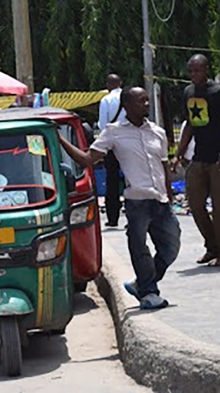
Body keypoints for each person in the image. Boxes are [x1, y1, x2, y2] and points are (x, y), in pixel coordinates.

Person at [59, 87, 180, 309]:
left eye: (146, 100)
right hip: (137, 201)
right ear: (126, 106)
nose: (147, 104)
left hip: (160, 200)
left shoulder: (157, 132)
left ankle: (142, 283)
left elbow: (163, 166)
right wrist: (60, 140)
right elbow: (88, 160)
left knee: (171, 248)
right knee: (139, 246)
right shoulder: (113, 132)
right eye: (141, 101)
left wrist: (169, 194)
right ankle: (149, 293)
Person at [173, 55, 220, 267]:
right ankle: (212, 247)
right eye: (190, 71)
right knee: (195, 204)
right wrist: (178, 153)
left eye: (197, 70)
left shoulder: (218, 93)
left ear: (206, 70)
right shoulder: (189, 92)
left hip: (219, 159)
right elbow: (190, 125)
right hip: (199, 158)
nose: (193, 75)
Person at [98, 74, 126, 228]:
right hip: (129, 142)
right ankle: (132, 216)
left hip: (112, 144)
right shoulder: (129, 97)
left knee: (112, 180)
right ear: (120, 83)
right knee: (131, 180)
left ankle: (113, 217)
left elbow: (103, 125)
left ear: (108, 84)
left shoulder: (106, 100)